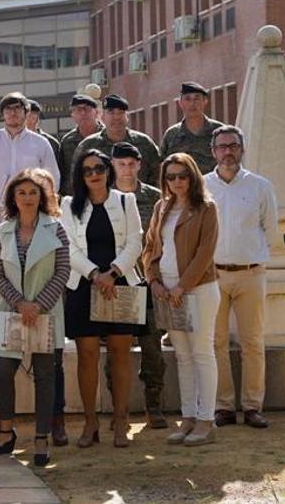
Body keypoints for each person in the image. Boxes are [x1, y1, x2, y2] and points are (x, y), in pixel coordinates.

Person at [60, 149, 144, 449]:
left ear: (108, 170)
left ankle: (121, 420)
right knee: (87, 355)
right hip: (84, 284)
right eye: (86, 170)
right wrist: (95, 274)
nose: (93, 174)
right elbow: (67, 247)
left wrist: (113, 273)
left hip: (120, 282)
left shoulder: (126, 200)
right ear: (80, 176)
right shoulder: (69, 205)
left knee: (122, 354)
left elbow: (136, 241)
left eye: (98, 168)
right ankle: (91, 422)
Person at [0, 168, 70, 467]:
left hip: (45, 313)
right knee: (2, 372)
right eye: (21, 192)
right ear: (13, 196)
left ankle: (41, 437)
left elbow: (63, 271)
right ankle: (5, 431)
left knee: (46, 377)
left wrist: (37, 305)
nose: (27, 197)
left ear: (42, 196)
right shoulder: (1, 231)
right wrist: (20, 303)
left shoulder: (56, 228)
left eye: (33, 192)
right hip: (12, 312)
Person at [142, 153, 220, 447]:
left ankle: (206, 420)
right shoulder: (162, 207)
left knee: (202, 354)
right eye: (171, 177)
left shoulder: (207, 208)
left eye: (182, 176)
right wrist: (155, 281)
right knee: (182, 357)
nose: (176, 182)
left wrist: (182, 287)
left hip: (198, 290)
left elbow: (205, 252)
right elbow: (150, 247)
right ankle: (188, 418)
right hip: (167, 291)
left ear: (193, 177)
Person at [205, 126, 279, 430]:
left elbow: (271, 229)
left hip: (251, 273)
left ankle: (252, 406)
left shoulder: (261, 186)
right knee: (216, 342)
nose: (228, 152)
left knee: (252, 342)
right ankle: (223, 407)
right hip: (213, 275)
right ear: (213, 151)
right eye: (222, 147)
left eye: (233, 146)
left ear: (241, 149)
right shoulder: (203, 186)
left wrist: (253, 254)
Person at [110, 141, 167, 427]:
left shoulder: (156, 198)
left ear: (140, 165)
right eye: (121, 164)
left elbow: (163, 240)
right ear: (113, 166)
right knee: (116, 348)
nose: (127, 169)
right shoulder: (104, 199)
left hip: (148, 282)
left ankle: (153, 405)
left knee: (153, 348)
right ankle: (118, 409)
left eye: (132, 163)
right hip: (117, 283)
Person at [0, 92, 61, 220]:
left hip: (30, 214)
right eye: (8, 109)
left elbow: (52, 178)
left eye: (17, 108)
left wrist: (42, 202)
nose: (13, 113)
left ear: (27, 112)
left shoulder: (40, 143)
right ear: (2, 114)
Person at [76, 94, 161, 189]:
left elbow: (158, 175)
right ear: (102, 117)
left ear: (127, 117)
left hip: (140, 201)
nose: (116, 117)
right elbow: (77, 179)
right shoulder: (88, 146)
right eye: (111, 112)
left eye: (120, 112)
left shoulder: (144, 142)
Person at [161, 82, 224, 174]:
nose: (192, 104)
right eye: (187, 99)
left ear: (205, 101)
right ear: (180, 103)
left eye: (197, 99)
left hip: (212, 187)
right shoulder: (171, 135)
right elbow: (162, 167)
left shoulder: (219, 132)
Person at [58, 94, 103, 196]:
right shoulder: (67, 141)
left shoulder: (108, 136)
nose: (83, 113)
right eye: (78, 110)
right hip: (77, 199)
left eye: (87, 109)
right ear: (72, 115)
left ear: (96, 112)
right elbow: (62, 173)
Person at [26, 99, 63, 170]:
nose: (29, 119)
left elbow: (58, 169)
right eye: (27, 115)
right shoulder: (14, 140)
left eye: (32, 115)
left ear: (38, 118)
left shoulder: (51, 142)